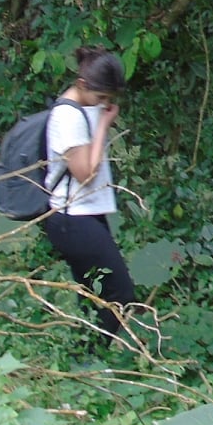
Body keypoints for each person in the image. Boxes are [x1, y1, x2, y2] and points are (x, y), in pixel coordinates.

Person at [42, 46, 136, 349]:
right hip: (72, 218)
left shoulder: (81, 110)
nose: (105, 104)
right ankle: (92, 356)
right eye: (102, 98)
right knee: (120, 294)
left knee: (92, 293)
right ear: (82, 86)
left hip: (83, 215)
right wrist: (103, 127)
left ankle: (82, 356)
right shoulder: (67, 117)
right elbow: (85, 172)